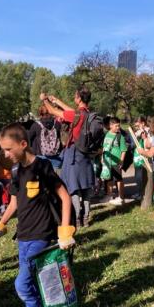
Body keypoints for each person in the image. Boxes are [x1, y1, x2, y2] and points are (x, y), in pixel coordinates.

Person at [0, 123, 75, 307]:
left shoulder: (42, 166)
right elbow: (14, 203)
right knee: (32, 283)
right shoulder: (16, 171)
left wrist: (65, 232)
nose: (5, 154)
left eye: (8, 149)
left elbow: (65, 197)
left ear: (23, 144)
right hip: (23, 237)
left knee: (23, 285)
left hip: (41, 235)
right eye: (2, 150)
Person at [40, 87, 96, 228]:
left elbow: (53, 111)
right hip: (86, 155)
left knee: (74, 187)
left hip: (74, 154)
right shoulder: (88, 114)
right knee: (86, 186)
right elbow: (72, 111)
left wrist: (45, 100)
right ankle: (86, 217)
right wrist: (57, 100)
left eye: (75, 96)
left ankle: (77, 218)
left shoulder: (76, 115)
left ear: (78, 99)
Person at [28, 104, 63, 170]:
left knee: (42, 179)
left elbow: (29, 138)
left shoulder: (36, 125)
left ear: (40, 113)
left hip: (41, 158)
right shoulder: (57, 124)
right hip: (56, 158)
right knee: (55, 179)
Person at [102, 117, 127, 205]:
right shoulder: (106, 134)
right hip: (107, 162)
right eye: (116, 126)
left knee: (118, 179)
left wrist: (121, 161)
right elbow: (104, 147)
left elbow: (124, 150)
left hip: (116, 162)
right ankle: (109, 196)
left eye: (119, 126)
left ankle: (121, 197)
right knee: (108, 179)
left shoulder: (120, 136)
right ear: (110, 125)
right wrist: (103, 158)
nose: (118, 128)